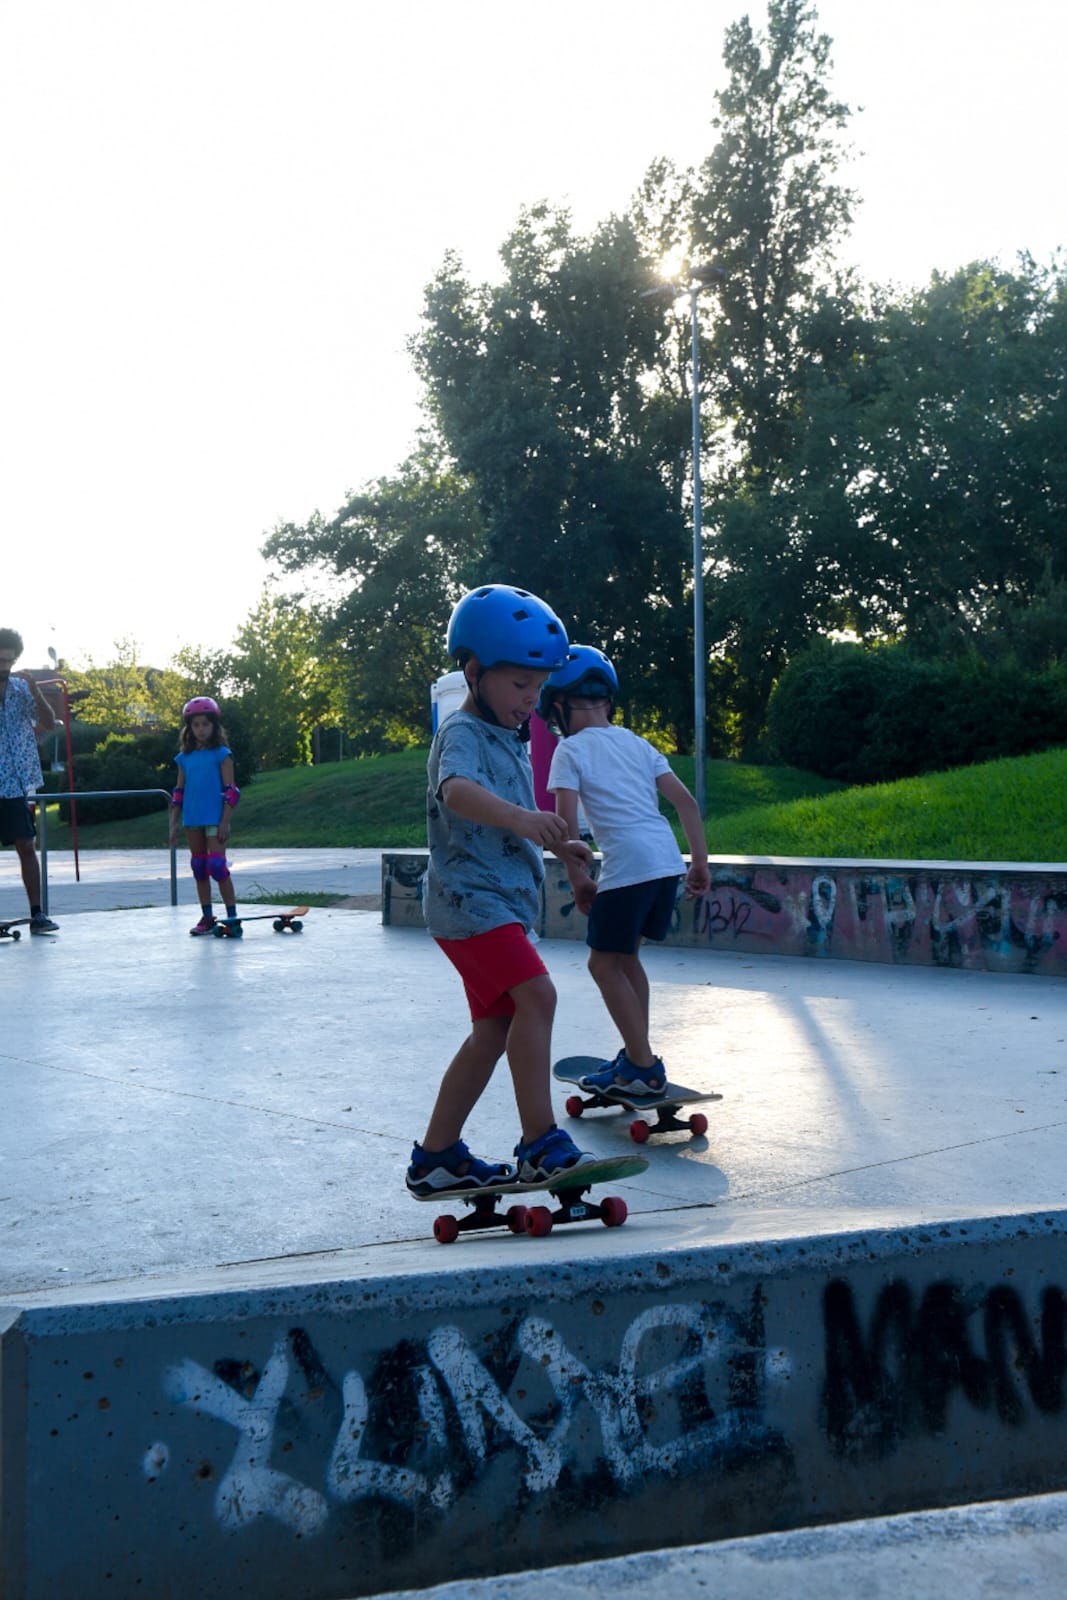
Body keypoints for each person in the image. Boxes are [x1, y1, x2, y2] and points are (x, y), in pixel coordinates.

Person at [407, 584, 602, 1198]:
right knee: (537, 995)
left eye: (539, 687)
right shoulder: (462, 732)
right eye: (520, 684)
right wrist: (524, 820)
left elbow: (512, 815)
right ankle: (539, 1141)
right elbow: (458, 792)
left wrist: (560, 848)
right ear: (474, 670)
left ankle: (437, 1156)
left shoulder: (508, 742)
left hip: (495, 903)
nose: (531, 699)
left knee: (493, 1030)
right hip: (471, 903)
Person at [537, 644, 710, 1095]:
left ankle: (642, 1063)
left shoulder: (569, 750)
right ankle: (638, 1055)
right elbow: (686, 804)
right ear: (607, 701)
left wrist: (579, 880)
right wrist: (699, 864)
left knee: (601, 964)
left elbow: (567, 827)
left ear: (559, 704)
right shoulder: (638, 743)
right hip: (665, 861)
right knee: (627, 959)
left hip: (629, 865)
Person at [0, 627, 60, 933]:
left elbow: (49, 724)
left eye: (8, 662)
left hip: (14, 782)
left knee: (26, 845)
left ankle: (37, 913)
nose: (3, 668)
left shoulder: (21, 689)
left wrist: (35, 689)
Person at [167, 696, 242, 936]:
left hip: (215, 819)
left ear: (214, 726)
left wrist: (225, 821)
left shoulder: (222, 754)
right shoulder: (184, 758)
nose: (200, 729)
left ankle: (232, 916)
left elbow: (231, 791)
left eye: (205, 724)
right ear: (189, 728)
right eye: (196, 725)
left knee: (217, 866)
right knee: (199, 866)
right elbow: (179, 792)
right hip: (192, 819)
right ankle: (207, 916)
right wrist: (173, 823)